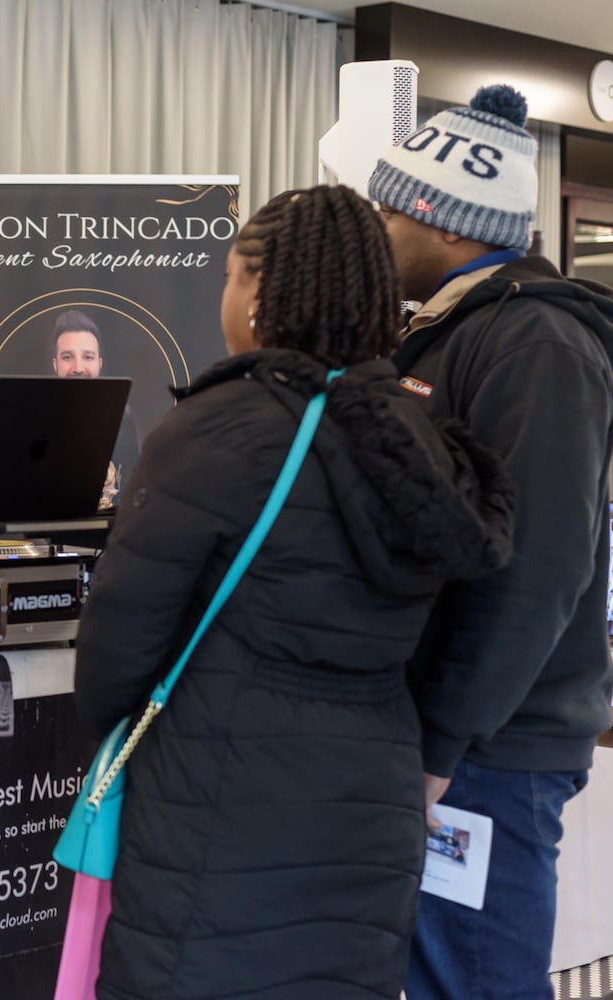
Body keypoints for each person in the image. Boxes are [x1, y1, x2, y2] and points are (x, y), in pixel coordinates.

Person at [71, 185, 515, 999]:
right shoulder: (421, 436)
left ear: (262, 290)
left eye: (232, 277)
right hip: (375, 803)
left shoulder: (213, 428)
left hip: (217, 808)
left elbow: (118, 648)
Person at [368, 84, 613, 1000]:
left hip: (492, 751)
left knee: (473, 982)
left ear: (439, 220)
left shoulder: (537, 345)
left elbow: (534, 568)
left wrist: (443, 743)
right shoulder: (445, 332)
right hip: (453, 739)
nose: (377, 230)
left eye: (387, 209)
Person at [49, 309, 139, 507]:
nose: (78, 367)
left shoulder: (122, 416)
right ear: (55, 364)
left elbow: (132, 487)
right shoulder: (34, 419)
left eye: (88, 357)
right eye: (67, 357)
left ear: (99, 364)